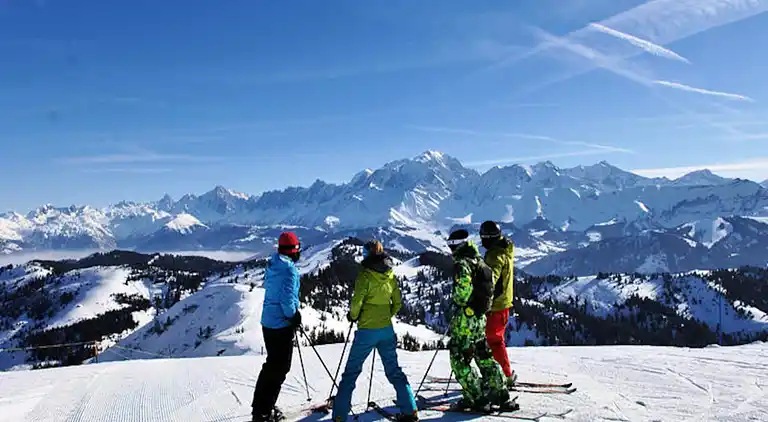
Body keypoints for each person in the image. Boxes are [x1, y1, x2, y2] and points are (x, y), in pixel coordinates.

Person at [332, 240, 419, 422]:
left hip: (366, 331)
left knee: (351, 373)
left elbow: (356, 303)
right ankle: (410, 410)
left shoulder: (365, 275)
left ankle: (340, 415)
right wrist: (386, 315)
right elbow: (397, 302)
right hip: (386, 329)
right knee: (394, 371)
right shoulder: (390, 275)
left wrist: (353, 316)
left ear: (368, 254)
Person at [446, 229, 514, 412]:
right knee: (484, 355)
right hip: (480, 318)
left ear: (455, 246)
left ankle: (476, 398)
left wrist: (458, 304)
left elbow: (463, 292)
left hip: (465, 319)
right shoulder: (480, 261)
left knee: (459, 359)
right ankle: (501, 395)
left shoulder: (462, 264)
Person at [252, 232, 303, 422]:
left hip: (269, 322)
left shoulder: (273, 264)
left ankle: (261, 408)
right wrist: (294, 316)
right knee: (280, 368)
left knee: (271, 366)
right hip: (281, 324)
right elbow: (287, 300)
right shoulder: (289, 270)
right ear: (293, 250)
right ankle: (264, 412)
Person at [480, 220, 517, 387]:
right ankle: (503, 374)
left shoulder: (495, 256)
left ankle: (500, 377)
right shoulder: (505, 250)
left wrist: (479, 297)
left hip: (494, 306)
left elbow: (490, 280)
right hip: (503, 304)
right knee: (495, 341)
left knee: (490, 342)